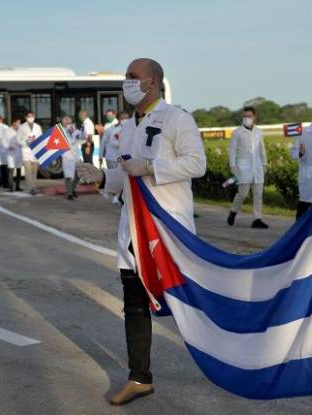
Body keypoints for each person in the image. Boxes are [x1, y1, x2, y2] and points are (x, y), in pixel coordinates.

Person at [76, 58, 206, 406]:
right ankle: (139, 378)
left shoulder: (177, 118)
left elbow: (197, 163)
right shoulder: (128, 127)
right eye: (126, 77)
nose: (126, 83)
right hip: (133, 228)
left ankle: (232, 353)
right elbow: (124, 176)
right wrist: (101, 177)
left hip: (167, 229)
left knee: (187, 302)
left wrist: (151, 167)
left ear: (152, 82)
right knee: (135, 305)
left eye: (132, 77)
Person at [227, 107, 269, 228]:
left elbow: (262, 149)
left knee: (258, 195)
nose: (247, 118)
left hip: (257, 167)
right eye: (245, 116)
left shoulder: (259, 132)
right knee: (242, 194)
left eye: (249, 116)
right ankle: (233, 211)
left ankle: (257, 219)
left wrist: (265, 163)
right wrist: (232, 166)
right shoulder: (237, 132)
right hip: (243, 168)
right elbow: (232, 150)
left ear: (254, 117)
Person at [17, 111, 43, 195]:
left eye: (32, 116)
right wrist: (25, 143)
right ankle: (30, 188)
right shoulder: (21, 127)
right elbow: (18, 139)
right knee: (28, 171)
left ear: (34, 117)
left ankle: (34, 186)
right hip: (26, 151)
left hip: (35, 151)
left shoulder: (38, 127)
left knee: (34, 171)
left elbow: (41, 138)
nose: (30, 117)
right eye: (29, 116)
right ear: (26, 117)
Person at [61, 116, 81, 200]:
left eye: (69, 122)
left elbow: (82, 138)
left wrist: (81, 132)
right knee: (68, 175)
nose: (68, 124)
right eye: (66, 122)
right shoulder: (60, 132)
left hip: (76, 156)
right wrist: (71, 137)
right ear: (63, 123)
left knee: (79, 174)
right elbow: (66, 143)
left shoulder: (75, 130)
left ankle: (72, 189)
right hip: (67, 156)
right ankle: (69, 193)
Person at [5, 118, 24, 191]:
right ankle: (11, 187)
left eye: (20, 123)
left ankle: (18, 187)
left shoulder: (21, 131)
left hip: (19, 153)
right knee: (11, 170)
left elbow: (23, 140)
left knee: (19, 170)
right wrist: (8, 147)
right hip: (11, 153)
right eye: (18, 123)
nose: (19, 124)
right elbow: (3, 141)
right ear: (13, 123)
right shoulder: (8, 131)